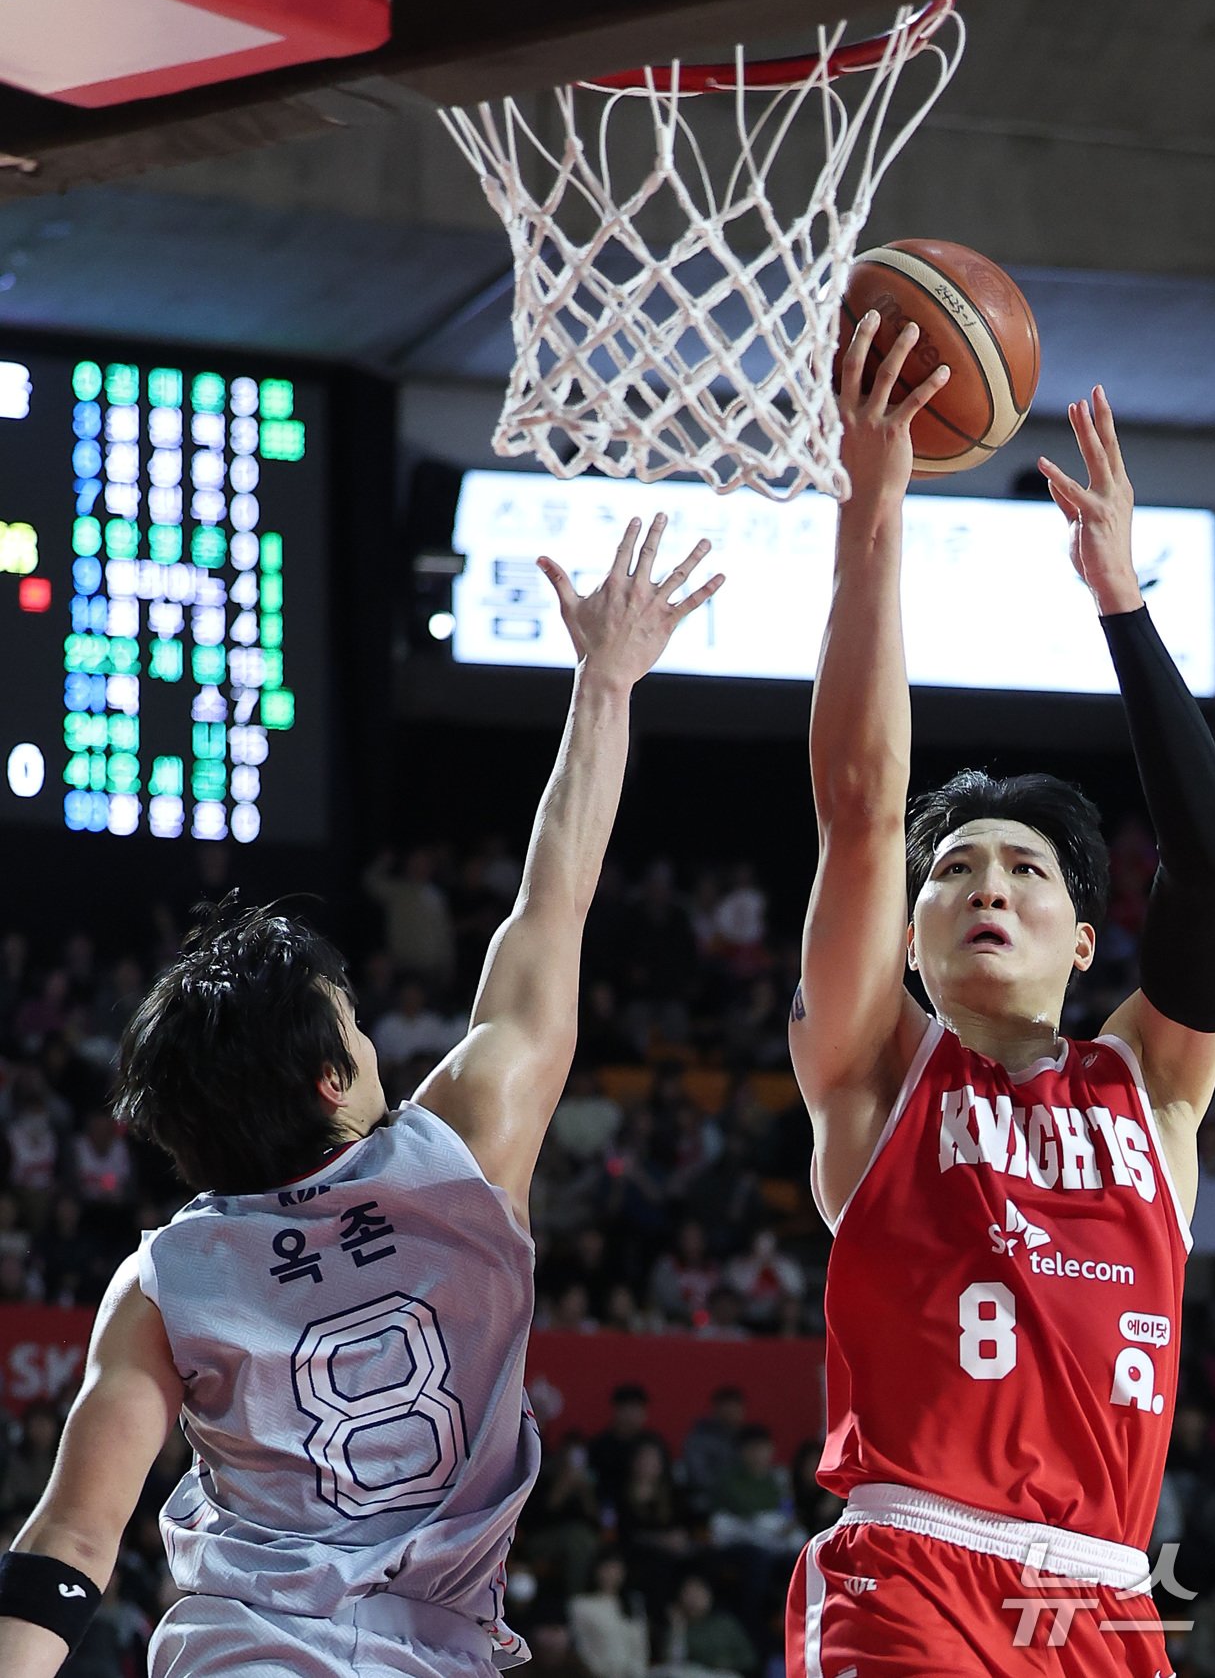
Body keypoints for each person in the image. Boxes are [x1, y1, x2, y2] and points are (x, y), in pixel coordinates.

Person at [0, 514, 722, 1678]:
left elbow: (72, 1539)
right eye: (353, 1019)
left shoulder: (162, 1276)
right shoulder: (467, 1153)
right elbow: (554, 903)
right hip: (432, 1651)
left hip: (243, 1652)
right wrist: (605, 680)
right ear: (334, 1078)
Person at [785, 313, 1215, 1676]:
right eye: (959, 873)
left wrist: (1125, 602)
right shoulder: (876, 1070)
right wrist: (872, 514)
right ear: (913, 943)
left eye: (1027, 869)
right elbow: (863, 811)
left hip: (1100, 1604)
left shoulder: (1153, 1089)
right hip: (912, 1570)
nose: (988, 886)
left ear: (1088, 938)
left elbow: (1213, 867)